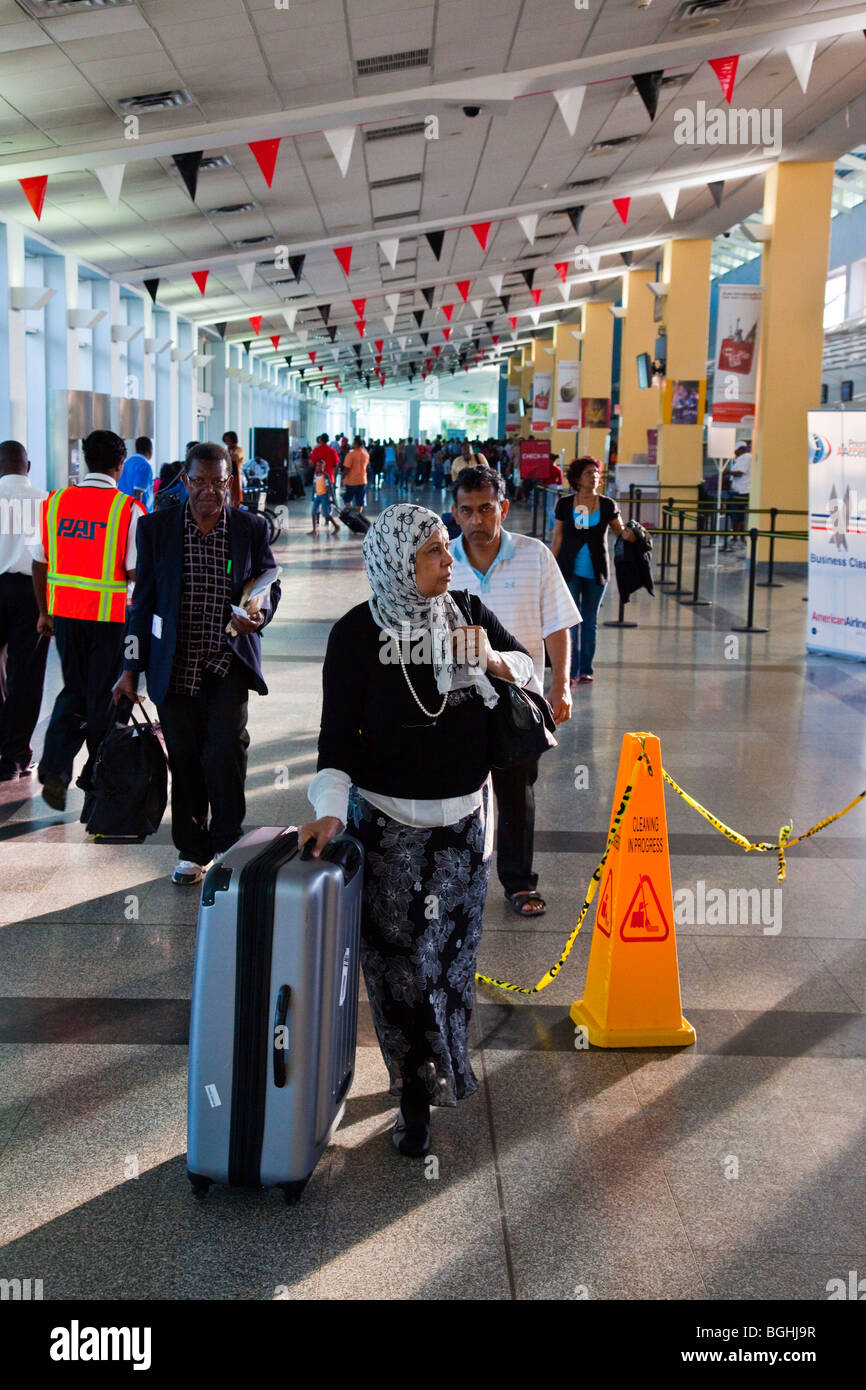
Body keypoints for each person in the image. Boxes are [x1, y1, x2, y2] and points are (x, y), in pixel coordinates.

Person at [299, 503, 533, 1158]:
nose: (448, 559)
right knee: (401, 970)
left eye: (446, 548)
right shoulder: (354, 637)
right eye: (432, 551)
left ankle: (441, 1064)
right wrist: (327, 808)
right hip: (386, 827)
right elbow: (335, 740)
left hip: (461, 829)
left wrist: (492, 659)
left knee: (450, 968)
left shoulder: (467, 617)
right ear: (399, 564)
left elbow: (530, 674)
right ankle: (412, 1091)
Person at [114, 443, 281, 886]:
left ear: (229, 481)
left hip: (227, 663)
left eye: (218, 482)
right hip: (175, 665)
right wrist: (131, 666)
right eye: (200, 481)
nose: (209, 490)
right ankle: (192, 849)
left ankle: (228, 843)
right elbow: (141, 601)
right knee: (185, 759)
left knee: (224, 752)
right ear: (185, 481)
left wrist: (259, 614)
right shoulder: (156, 529)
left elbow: (268, 582)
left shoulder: (250, 527)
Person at [450, 465, 578, 917]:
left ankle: (519, 883)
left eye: (486, 509)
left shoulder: (534, 555)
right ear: (455, 512)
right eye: (466, 511)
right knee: (458, 792)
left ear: (503, 507)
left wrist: (561, 685)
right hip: (458, 700)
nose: (477, 520)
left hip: (520, 700)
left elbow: (559, 626)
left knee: (516, 792)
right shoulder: (442, 560)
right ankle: (456, 879)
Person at [30, 430, 143, 811]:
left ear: (84, 459)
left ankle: (56, 770)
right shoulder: (127, 509)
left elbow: (39, 561)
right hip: (110, 619)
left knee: (74, 690)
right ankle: (100, 781)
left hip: (64, 615)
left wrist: (45, 612)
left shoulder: (55, 502)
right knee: (105, 698)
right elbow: (134, 572)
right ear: (120, 465)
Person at [551, 456, 635, 687]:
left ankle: (586, 668)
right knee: (572, 620)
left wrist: (635, 532)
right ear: (577, 478)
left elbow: (621, 533)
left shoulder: (607, 504)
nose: (594, 476)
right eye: (589, 472)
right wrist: (550, 565)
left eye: (596, 472)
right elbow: (557, 538)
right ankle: (571, 668)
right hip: (569, 570)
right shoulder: (566, 504)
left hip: (597, 572)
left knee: (589, 621)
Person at [0, 441, 48, 780]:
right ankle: (16, 756)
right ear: (27, 466)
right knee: (27, 675)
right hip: (33, 592)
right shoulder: (46, 501)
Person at [117, 436, 154, 512]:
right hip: (137, 513)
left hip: (123, 508)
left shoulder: (126, 463)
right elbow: (138, 493)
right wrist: (137, 516)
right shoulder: (144, 465)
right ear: (149, 449)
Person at [727, 442, 751, 542]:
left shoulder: (746, 457)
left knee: (736, 515)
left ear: (741, 449)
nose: (734, 452)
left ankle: (738, 536)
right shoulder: (742, 458)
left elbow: (740, 473)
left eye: (735, 450)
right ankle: (738, 536)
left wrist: (727, 472)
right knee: (738, 516)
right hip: (739, 490)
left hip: (741, 491)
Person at [308, 459, 339, 536]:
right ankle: (314, 529)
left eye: (320, 466)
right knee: (313, 512)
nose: (318, 467)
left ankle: (336, 526)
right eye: (317, 466)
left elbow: (329, 488)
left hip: (324, 496)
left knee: (325, 513)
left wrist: (332, 498)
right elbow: (314, 486)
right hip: (317, 496)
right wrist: (313, 496)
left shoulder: (325, 476)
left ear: (323, 467)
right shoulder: (315, 475)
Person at [342, 436, 369, 515]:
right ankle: (358, 516)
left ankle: (350, 514)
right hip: (362, 480)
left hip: (352, 481)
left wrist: (343, 478)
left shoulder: (351, 455)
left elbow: (347, 469)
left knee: (347, 498)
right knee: (360, 501)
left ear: (356, 444)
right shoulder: (366, 454)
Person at [221, 431, 244, 508]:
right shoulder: (226, 450)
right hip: (227, 475)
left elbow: (235, 457)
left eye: (228, 441)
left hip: (236, 477)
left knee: (236, 498)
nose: (227, 443)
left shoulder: (239, 450)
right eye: (226, 441)